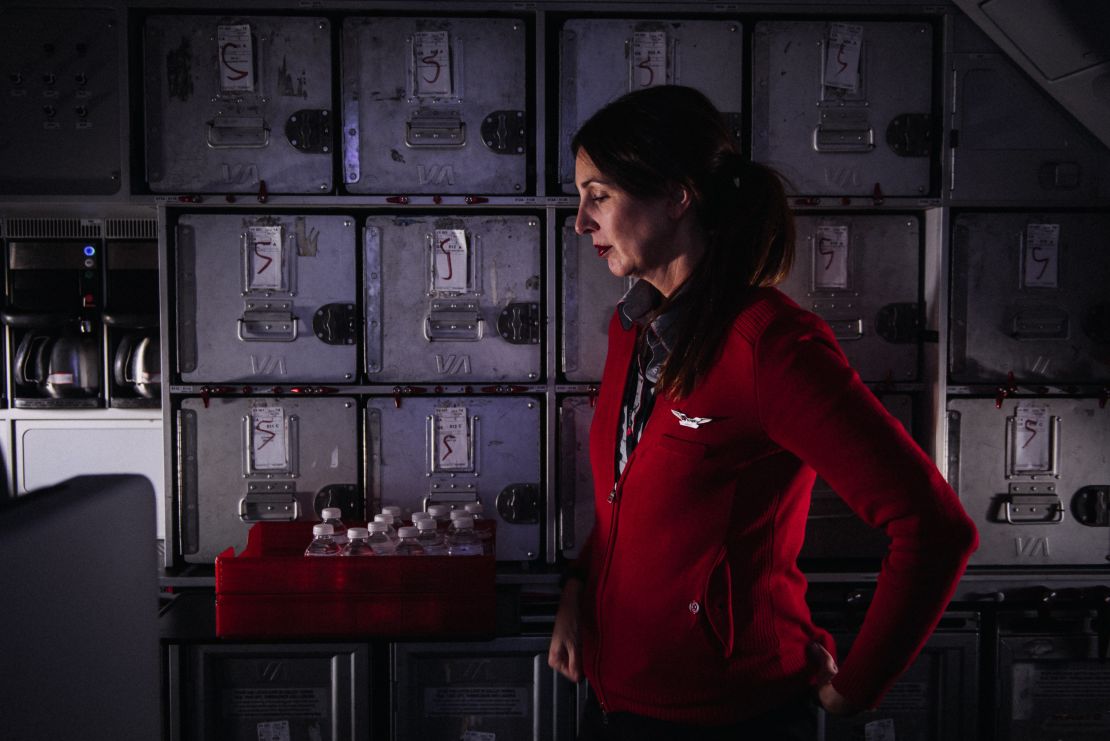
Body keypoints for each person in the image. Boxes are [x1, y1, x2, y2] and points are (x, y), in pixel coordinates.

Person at [547, 85, 978, 740]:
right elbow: (627, 496)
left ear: (675, 195)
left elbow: (934, 525)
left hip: (729, 716)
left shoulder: (771, 346)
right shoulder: (633, 329)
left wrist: (856, 687)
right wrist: (578, 589)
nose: (580, 221)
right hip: (616, 699)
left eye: (598, 195)